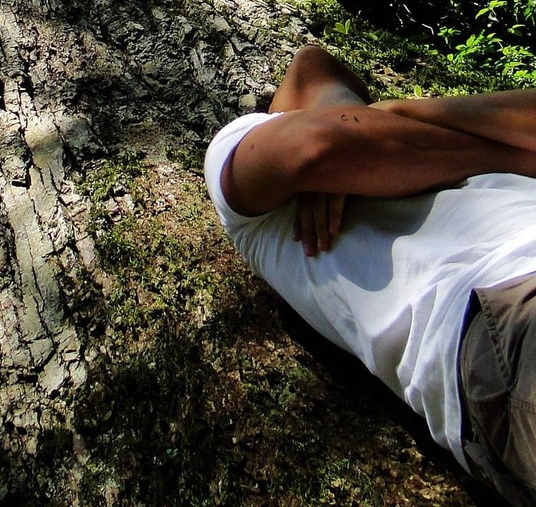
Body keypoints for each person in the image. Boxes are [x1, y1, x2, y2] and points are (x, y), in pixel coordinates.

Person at [204, 43, 536, 506]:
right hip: (502, 304)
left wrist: (396, 112)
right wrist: (512, 155)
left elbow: (313, 65)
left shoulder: (407, 124)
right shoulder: (243, 144)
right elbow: (317, 146)